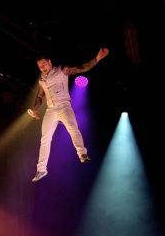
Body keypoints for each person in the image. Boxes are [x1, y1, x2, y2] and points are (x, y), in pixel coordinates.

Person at [29, 48, 109, 182]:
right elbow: (39, 96)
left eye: (43, 64)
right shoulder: (42, 79)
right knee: (45, 139)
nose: (42, 68)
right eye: (40, 66)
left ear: (49, 62)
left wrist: (96, 59)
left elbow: (82, 68)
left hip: (64, 106)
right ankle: (41, 170)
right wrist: (36, 108)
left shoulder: (62, 70)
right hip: (50, 110)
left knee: (72, 127)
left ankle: (82, 153)